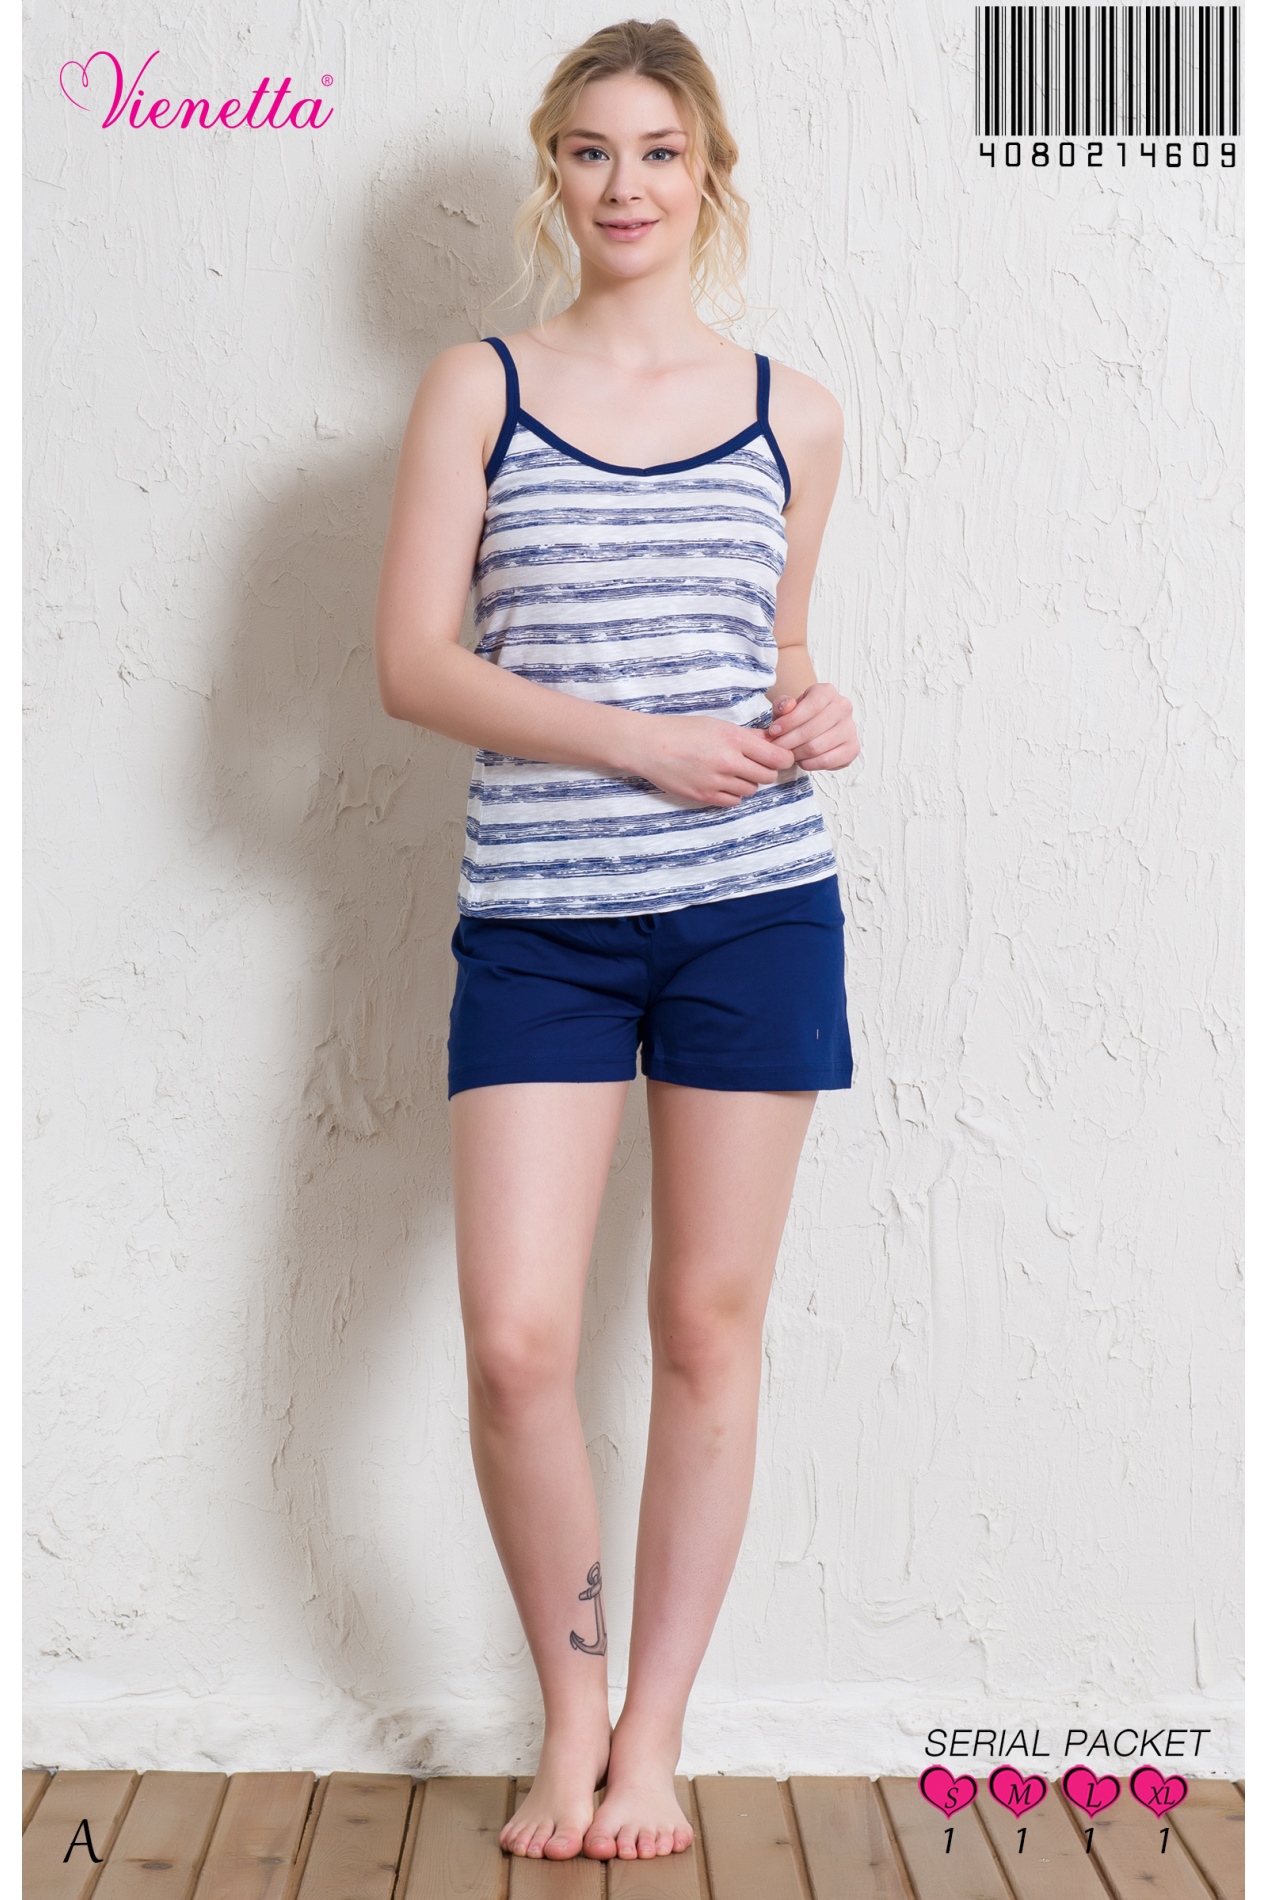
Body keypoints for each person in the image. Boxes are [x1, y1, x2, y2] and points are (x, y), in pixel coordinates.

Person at [374, 17, 859, 1864]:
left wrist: (816, 709)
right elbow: (415, 666)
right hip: (540, 923)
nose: (624, 184)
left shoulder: (793, 412)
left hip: (754, 911)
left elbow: (776, 650)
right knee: (515, 1340)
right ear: (552, 173)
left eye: (658, 151)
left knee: (702, 1328)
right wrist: (640, 743)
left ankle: (652, 1738)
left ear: (707, 173)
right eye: (591, 151)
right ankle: (567, 1717)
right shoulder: (476, 388)